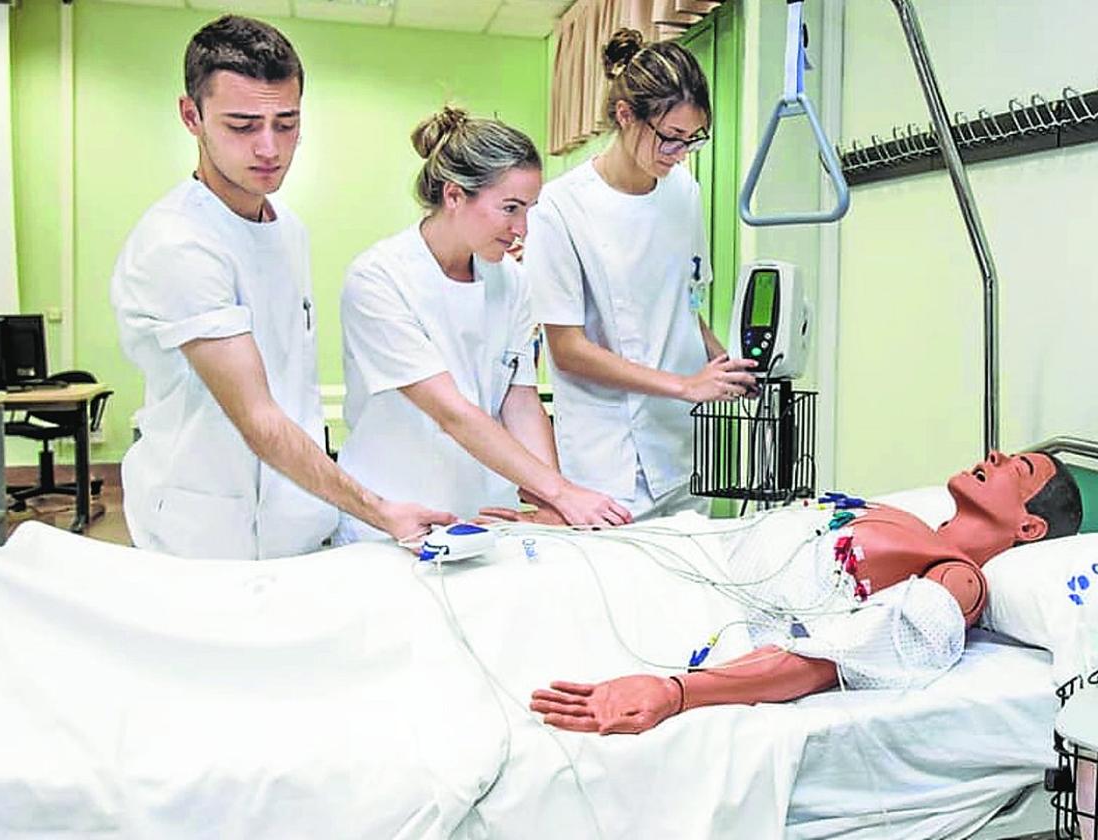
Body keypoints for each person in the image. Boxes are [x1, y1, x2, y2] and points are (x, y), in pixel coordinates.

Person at [110, 15, 453, 560]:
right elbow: (259, 419)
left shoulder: (287, 227)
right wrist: (378, 509)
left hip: (292, 513)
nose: (269, 148)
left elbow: (292, 384)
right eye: (243, 126)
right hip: (205, 526)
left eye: (286, 123)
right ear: (190, 116)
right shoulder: (179, 244)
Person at [530, 450, 1084, 734]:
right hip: (654, 561)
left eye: (1020, 467)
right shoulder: (902, 517)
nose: (995, 458)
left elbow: (829, 657)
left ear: (1030, 529)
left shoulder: (957, 582)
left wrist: (676, 692)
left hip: (681, 614)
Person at [333, 107, 632, 543]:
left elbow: (520, 399)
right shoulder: (379, 278)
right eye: (510, 208)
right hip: (392, 514)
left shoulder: (510, 280)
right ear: (454, 196)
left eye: (529, 210)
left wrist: (550, 506)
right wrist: (564, 493)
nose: (522, 229)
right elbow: (451, 413)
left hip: (483, 513)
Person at [523, 29, 757, 521]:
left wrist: (726, 363)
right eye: (670, 138)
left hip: (682, 443)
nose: (680, 153)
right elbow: (567, 349)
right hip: (608, 457)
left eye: (692, 139)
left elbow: (685, 306)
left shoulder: (683, 193)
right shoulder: (562, 209)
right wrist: (686, 385)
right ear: (626, 116)